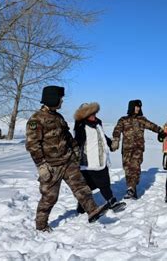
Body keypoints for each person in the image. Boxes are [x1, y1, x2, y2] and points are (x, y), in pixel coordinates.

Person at [25, 86, 108, 232]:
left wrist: (75, 150)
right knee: (50, 197)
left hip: (68, 161)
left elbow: (67, 137)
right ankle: (41, 225)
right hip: (51, 166)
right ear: (52, 98)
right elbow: (32, 145)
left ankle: (93, 211)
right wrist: (41, 165)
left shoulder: (59, 117)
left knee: (81, 187)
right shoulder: (36, 119)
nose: (62, 101)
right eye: (60, 98)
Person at [73, 102, 126, 213]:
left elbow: (102, 137)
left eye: (94, 113)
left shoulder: (97, 123)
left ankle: (81, 205)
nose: (93, 115)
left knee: (92, 185)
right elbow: (77, 143)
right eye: (90, 113)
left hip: (101, 159)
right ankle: (112, 202)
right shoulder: (81, 126)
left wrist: (111, 144)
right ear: (84, 115)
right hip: (89, 161)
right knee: (103, 183)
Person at [112, 100, 165, 199]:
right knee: (128, 169)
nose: (137, 108)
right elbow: (117, 130)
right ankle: (131, 188)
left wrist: (160, 131)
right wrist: (116, 140)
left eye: (139, 107)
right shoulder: (123, 119)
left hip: (138, 148)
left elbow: (152, 126)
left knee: (135, 167)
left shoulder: (142, 119)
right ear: (131, 107)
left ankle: (131, 187)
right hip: (127, 149)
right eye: (135, 106)